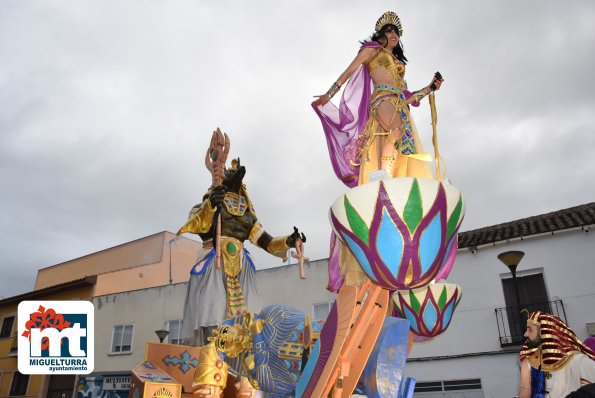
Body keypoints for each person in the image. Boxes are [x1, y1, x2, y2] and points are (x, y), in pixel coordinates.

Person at [177, 159, 306, 345]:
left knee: (247, 315)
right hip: (214, 261)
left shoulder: (247, 215)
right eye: (229, 172)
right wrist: (211, 205)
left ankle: (241, 356)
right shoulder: (204, 205)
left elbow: (266, 242)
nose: (234, 174)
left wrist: (288, 240)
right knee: (212, 308)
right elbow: (198, 226)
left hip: (240, 265)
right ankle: (211, 353)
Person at [312, 11, 443, 187]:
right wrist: (330, 94)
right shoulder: (373, 50)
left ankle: (388, 176)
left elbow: (408, 97)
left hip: (399, 104)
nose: (394, 34)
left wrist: (430, 88)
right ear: (381, 35)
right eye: (389, 31)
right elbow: (350, 70)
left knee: (398, 137)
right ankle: (382, 176)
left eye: (396, 32)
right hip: (382, 98)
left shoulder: (400, 65)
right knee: (395, 128)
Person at [518, 311, 595, 398]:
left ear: (544, 331)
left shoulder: (577, 360)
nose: (525, 334)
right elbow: (524, 394)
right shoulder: (528, 362)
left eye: (530, 329)